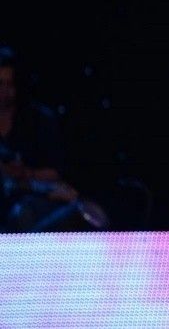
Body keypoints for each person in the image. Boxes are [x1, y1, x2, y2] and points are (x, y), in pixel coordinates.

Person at [0, 45, 105, 232]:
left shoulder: (39, 119)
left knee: (25, 213)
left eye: (9, 84)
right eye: (0, 84)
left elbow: (56, 171)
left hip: (32, 201)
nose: (4, 91)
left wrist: (25, 174)